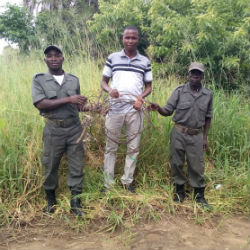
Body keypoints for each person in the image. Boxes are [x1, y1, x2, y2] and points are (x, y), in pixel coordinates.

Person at [31, 45, 87, 216]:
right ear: (45, 60)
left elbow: (77, 106)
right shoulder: (39, 79)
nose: (53, 58)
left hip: (75, 129)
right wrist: (69, 98)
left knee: (77, 165)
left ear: (63, 58)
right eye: (50, 56)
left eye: (57, 55)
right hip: (54, 129)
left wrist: (94, 108)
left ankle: (75, 202)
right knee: (50, 165)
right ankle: (51, 201)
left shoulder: (73, 80)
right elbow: (41, 103)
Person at [150, 62, 212, 209]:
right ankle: (179, 192)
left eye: (198, 73)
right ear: (189, 74)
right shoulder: (179, 91)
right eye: (193, 73)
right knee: (176, 162)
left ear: (202, 76)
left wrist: (205, 137)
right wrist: (158, 108)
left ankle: (199, 195)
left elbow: (208, 117)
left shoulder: (208, 94)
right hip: (179, 132)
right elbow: (168, 111)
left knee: (197, 165)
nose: (195, 75)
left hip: (196, 134)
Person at [101, 26, 153, 193]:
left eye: (133, 38)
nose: (130, 41)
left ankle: (127, 182)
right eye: (127, 37)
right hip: (114, 109)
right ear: (122, 39)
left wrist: (140, 98)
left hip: (134, 110)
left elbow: (149, 86)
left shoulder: (144, 61)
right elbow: (103, 82)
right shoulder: (113, 58)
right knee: (111, 147)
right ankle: (108, 184)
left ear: (138, 40)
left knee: (133, 147)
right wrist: (110, 91)